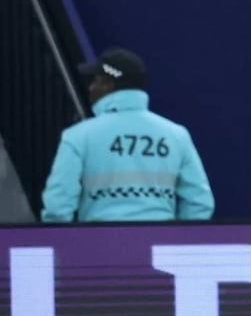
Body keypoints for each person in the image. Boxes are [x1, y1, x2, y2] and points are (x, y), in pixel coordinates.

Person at [42, 48, 214, 222]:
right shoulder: (177, 135)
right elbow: (199, 202)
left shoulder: (78, 136)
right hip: (159, 237)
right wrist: (176, 236)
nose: (91, 87)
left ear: (108, 84)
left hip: (100, 238)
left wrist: (62, 236)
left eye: (95, 80)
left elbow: (58, 205)